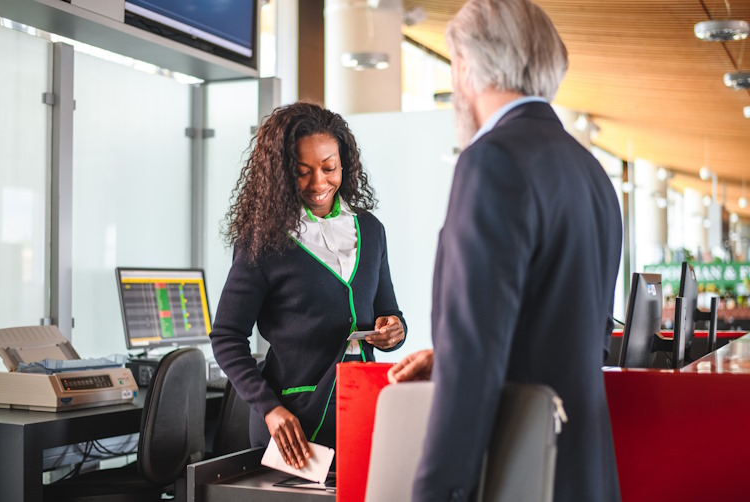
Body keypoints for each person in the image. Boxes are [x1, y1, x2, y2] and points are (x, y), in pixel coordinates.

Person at [386, 0, 622, 500]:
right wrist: (449, 356)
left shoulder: (490, 162)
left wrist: (436, 493)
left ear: (470, 65)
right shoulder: (591, 172)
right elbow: (580, 336)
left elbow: (474, 368)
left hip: (519, 471)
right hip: (583, 471)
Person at [211, 102, 407, 469]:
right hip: (293, 425)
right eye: (302, 172)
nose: (319, 184)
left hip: (360, 414)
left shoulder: (371, 231)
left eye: (329, 168)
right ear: (282, 173)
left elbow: (388, 313)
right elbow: (226, 336)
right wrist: (269, 409)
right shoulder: (264, 241)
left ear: (343, 163)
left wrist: (394, 330)